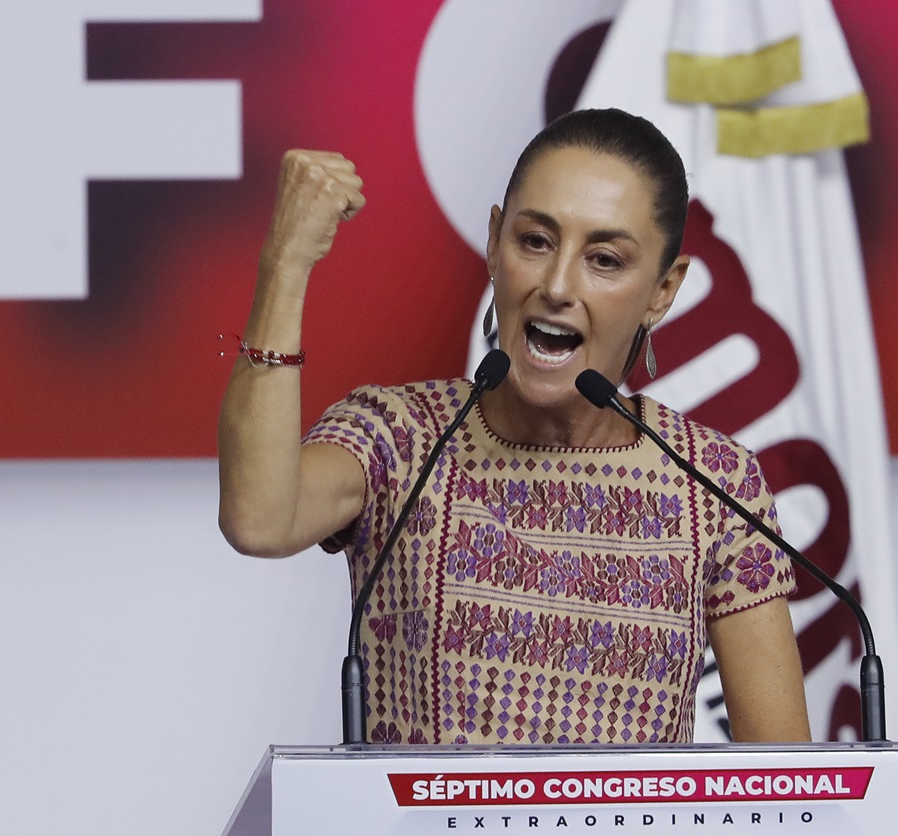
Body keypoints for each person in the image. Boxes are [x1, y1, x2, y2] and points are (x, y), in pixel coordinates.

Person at [218, 108, 810, 745]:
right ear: (496, 245)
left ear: (663, 291)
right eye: (535, 241)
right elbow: (259, 519)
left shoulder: (715, 485)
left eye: (605, 260)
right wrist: (285, 265)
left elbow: (781, 782)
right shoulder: (398, 437)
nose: (557, 285)